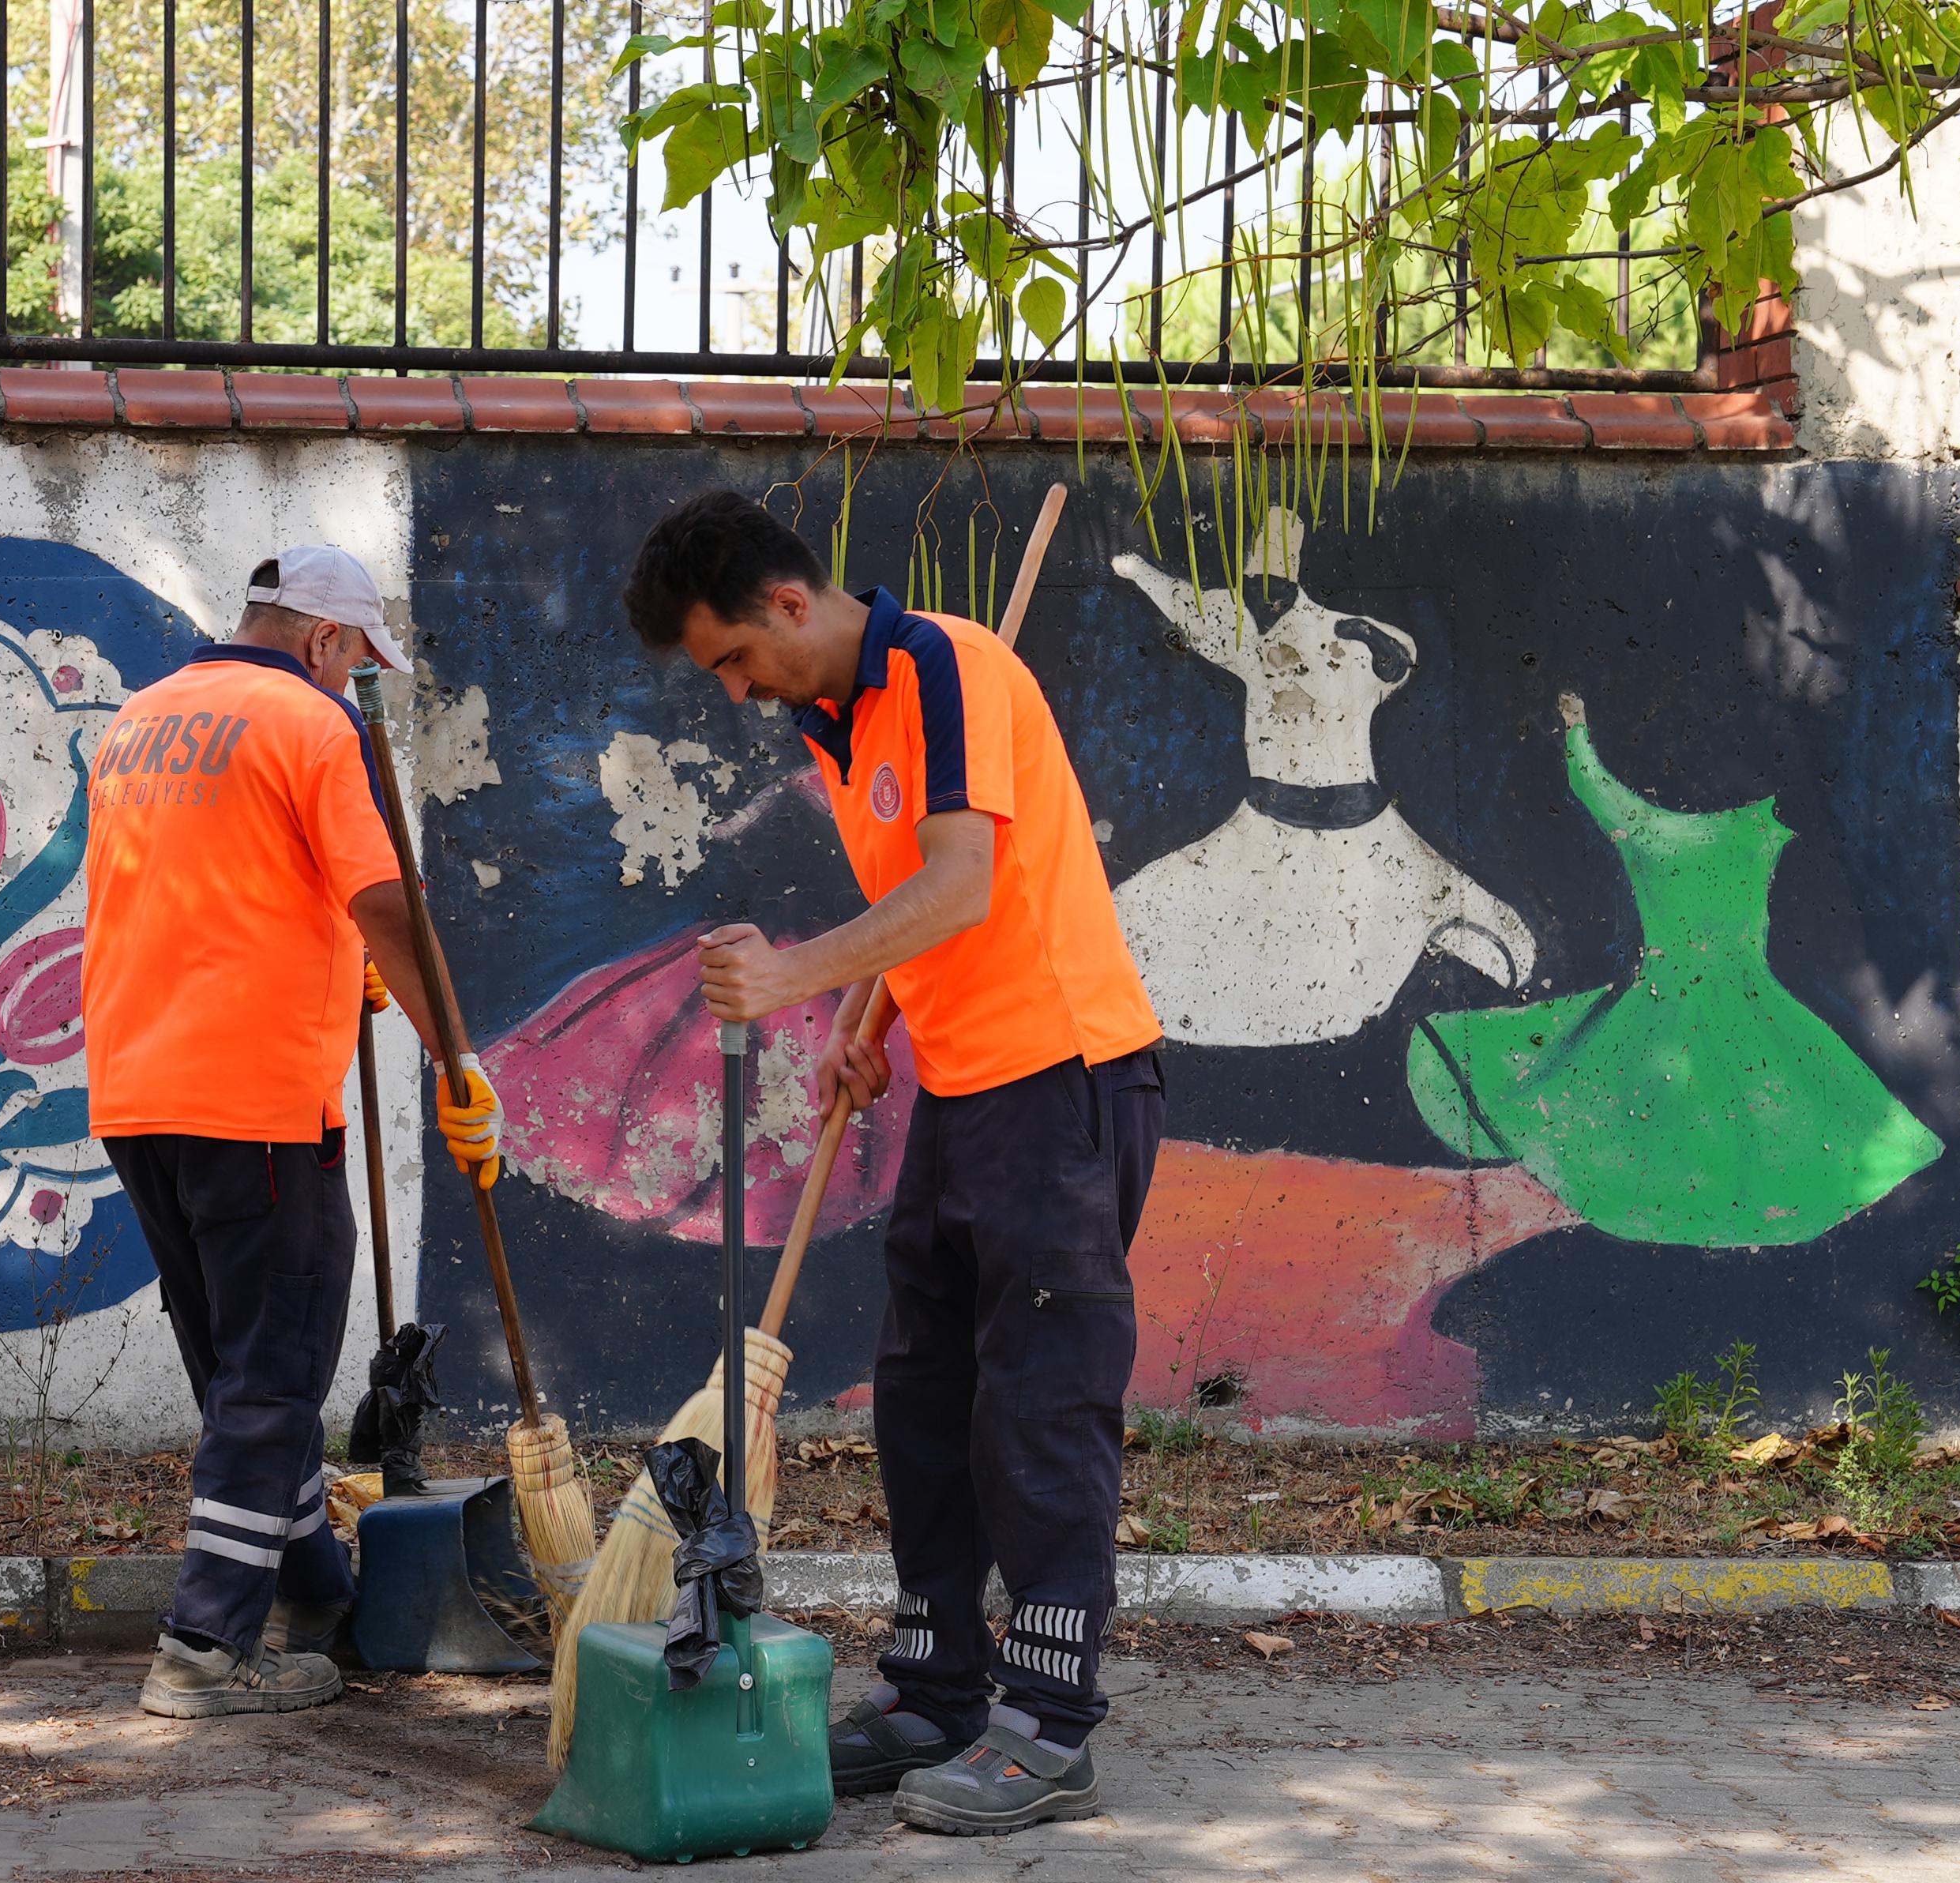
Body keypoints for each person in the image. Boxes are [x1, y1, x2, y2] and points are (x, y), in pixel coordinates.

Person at [621, 491, 1166, 1836]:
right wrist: (867, 1022)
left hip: (1062, 1082)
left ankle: (1048, 1728)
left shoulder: (944, 668)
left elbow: (964, 883)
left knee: (1039, 1408)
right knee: (923, 1402)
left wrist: (794, 977)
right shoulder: (840, 721)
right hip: (962, 1090)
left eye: (735, 659)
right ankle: (935, 1691)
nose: (738, 692)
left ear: (787, 603)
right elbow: (924, 916)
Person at [80, 544, 504, 1719]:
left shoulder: (140, 721)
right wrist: (457, 1058)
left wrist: (333, 955)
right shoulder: (317, 726)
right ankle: (205, 1647)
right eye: (356, 656)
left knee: (240, 1376)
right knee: (272, 1379)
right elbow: (385, 900)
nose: (354, 677)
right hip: (259, 1101)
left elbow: (213, 889)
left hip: (137, 1091)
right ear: (324, 639)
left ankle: (318, 1594)